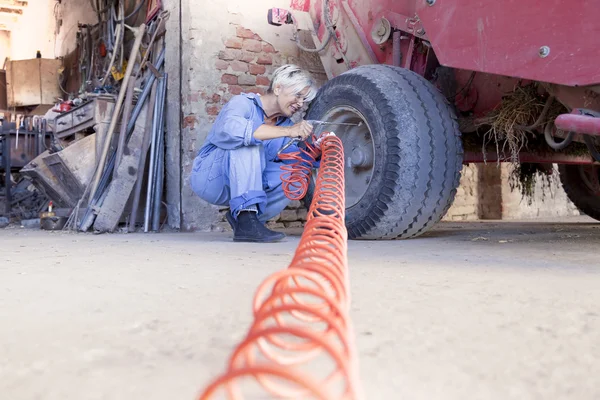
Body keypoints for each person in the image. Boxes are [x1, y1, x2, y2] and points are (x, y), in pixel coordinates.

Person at [189, 64, 323, 243]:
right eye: (297, 95)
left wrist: (316, 151)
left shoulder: (284, 123)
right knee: (249, 141)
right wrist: (289, 131)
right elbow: (231, 130)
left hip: (243, 185)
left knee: (296, 171)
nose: (300, 104)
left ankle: (246, 221)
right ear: (277, 88)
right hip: (211, 178)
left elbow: (294, 158)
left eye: (304, 100)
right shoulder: (242, 103)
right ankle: (246, 217)